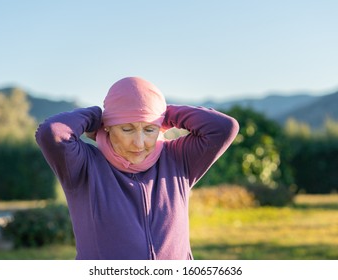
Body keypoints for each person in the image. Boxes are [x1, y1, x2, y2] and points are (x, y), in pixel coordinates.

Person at [35, 77, 239, 260]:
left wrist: (164, 114)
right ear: (108, 126)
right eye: (127, 129)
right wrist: (96, 116)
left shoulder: (178, 159)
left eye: (150, 130)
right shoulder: (84, 166)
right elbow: (52, 133)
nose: (139, 143)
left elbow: (224, 128)